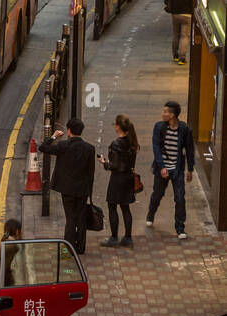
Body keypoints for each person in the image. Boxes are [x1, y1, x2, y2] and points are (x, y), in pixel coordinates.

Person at [38, 118, 96, 255]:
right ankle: (80, 247)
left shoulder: (63, 146)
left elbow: (43, 148)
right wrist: (90, 192)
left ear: (69, 130)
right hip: (82, 189)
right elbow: (91, 172)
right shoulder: (89, 149)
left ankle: (69, 248)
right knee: (81, 218)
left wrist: (53, 136)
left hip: (67, 188)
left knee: (70, 218)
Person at [146, 100, 195, 239]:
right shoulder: (159, 127)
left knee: (180, 198)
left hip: (177, 169)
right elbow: (156, 148)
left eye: (165, 112)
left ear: (172, 115)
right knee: (157, 194)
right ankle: (151, 213)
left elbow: (189, 150)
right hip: (162, 168)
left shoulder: (185, 129)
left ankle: (180, 228)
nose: (163, 114)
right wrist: (162, 167)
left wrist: (190, 169)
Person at [98, 114, 139, 248]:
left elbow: (115, 165)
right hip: (128, 178)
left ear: (118, 127)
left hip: (118, 179)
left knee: (112, 205)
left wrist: (104, 163)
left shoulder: (116, 144)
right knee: (125, 207)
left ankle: (114, 237)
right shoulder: (132, 141)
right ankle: (128, 237)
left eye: (114, 124)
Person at [164, 0, 192, 64]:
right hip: (187, 16)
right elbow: (193, 3)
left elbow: (165, 1)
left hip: (175, 15)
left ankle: (175, 56)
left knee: (176, 34)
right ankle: (182, 58)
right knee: (184, 36)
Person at [0, 217, 22, 286]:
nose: (22, 233)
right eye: (21, 231)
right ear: (17, 231)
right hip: (0, 283)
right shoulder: (10, 245)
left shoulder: (9, 243)